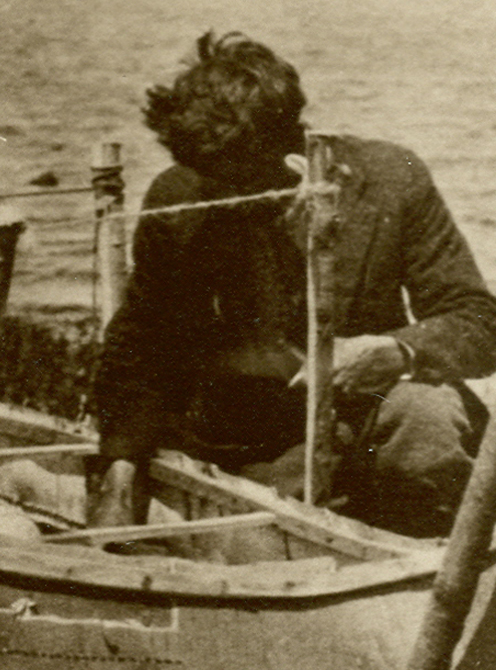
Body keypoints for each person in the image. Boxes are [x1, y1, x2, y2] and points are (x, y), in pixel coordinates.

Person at [91, 31, 496, 537]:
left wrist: (394, 352)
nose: (223, 192)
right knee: (272, 520)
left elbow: (477, 321)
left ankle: (436, 566)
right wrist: (119, 475)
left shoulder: (391, 179)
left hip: (369, 414)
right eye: (207, 172)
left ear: (287, 150)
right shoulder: (181, 198)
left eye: (240, 177)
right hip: (254, 439)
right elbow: (142, 343)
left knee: (427, 417)